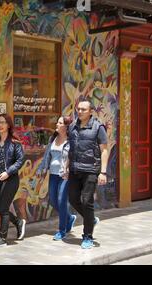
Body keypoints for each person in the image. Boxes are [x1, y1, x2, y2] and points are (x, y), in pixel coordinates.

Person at [67, 99, 109, 249]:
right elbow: (70, 150)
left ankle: (87, 236)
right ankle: (90, 219)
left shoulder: (98, 127)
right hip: (74, 169)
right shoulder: (72, 126)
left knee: (86, 201)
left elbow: (104, 150)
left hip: (91, 170)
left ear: (91, 111)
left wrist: (103, 172)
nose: (80, 111)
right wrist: (67, 167)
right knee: (72, 199)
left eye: (83, 109)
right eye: (78, 109)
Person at [0, 114, 25, 248]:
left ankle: (2, 239)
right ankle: (18, 222)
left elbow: (20, 160)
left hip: (10, 179)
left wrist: (8, 172)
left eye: (3, 122)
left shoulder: (15, 142)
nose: (0, 125)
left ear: (8, 125)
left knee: (3, 208)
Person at [36, 116, 76, 241]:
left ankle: (62, 230)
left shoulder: (71, 141)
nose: (57, 124)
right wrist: (41, 169)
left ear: (66, 126)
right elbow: (47, 156)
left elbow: (74, 156)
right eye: (57, 122)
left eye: (60, 123)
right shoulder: (52, 138)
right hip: (53, 174)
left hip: (65, 175)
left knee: (61, 200)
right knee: (53, 200)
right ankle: (69, 218)